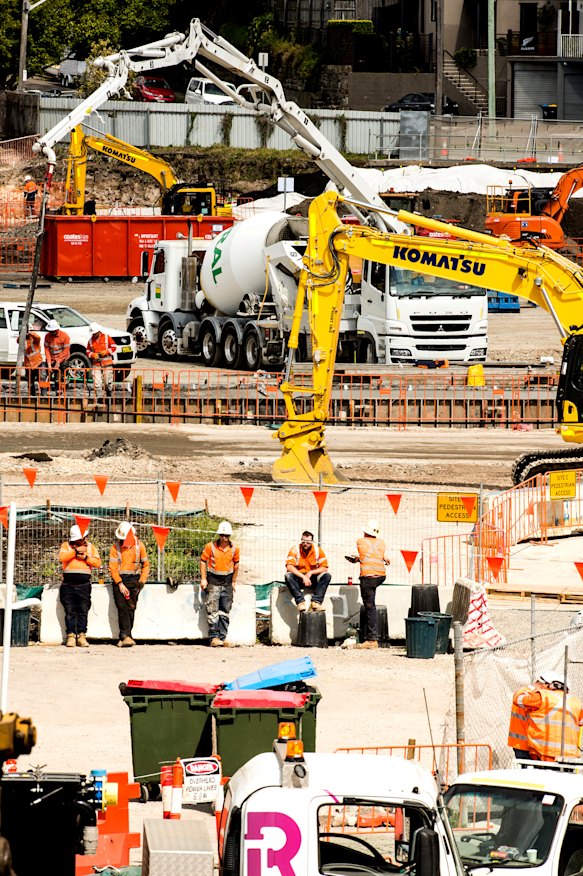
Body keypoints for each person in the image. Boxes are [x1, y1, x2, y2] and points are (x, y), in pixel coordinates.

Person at [516, 671, 583, 761]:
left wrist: (532, 689)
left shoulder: (543, 697)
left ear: (551, 685)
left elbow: (518, 699)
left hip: (543, 754)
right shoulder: (576, 702)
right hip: (568, 757)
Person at [347, 519, 390, 650]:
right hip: (381, 576)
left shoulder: (360, 541)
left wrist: (355, 559)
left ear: (365, 531)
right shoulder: (382, 543)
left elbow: (364, 554)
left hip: (368, 577)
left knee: (370, 607)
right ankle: (371, 637)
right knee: (371, 605)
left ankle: (372, 640)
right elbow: (373, 555)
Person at [108, 521, 150, 648]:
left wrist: (141, 582)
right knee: (122, 608)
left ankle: (126, 635)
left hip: (134, 581)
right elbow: (113, 568)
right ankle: (125, 636)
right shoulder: (115, 548)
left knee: (131, 608)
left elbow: (146, 565)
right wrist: (120, 583)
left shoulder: (139, 546)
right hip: (120, 580)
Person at [58, 524, 101, 647]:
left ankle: (82, 635)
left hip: (84, 585)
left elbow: (97, 562)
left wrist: (86, 557)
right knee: (69, 611)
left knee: (83, 610)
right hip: (68, 584)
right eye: (82, 538)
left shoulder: (91, 548)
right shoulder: (66, 546)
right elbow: (62, 557)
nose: (84, 540)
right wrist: (75, 551)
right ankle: (71, 636)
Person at [200, 521, 239, 647]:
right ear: (219, 535)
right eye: (222, 535)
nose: (224, 538)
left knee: (225, 610)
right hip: (213, 582)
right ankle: (214, 637)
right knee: (212, 610)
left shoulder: (234, 548)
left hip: (227, 583)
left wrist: (233, 581)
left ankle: (223, 637)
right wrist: (203, 579)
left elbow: (237, 564)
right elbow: (203, 561)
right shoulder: (210, 546)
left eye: (226, 535)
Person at [285, 530, 331, 612]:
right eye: (303, 541)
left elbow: (324, 567)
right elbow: (289, 566)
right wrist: (303, 577)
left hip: (312, 578)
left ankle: (316, 602)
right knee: (288, 576)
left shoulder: (317, 550)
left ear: (312, 542)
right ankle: (300, 602)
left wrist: (310, 573)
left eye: (308, 542)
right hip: (299, 577)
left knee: (326, 576)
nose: (305, 544)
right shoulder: (295, 549)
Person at [87, 322, 116, 404]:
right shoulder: (90, 341)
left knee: (107, 381)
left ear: (99, 331)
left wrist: (106, 352)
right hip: (96, 364)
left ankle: (109, 392)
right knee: (97, 382)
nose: (94, 335)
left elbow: (114, 347)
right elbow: (87, 351)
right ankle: (99, 398)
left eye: (95, 333)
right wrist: (93, 355)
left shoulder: (107, 337)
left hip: (106, 363)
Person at [44, 320, 70, 389]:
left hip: (63, 358)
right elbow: (47, 351)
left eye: (53, 331)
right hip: (52, 358)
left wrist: (58, 361)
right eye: (50, 331)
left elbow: (66, 351)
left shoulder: (65, 336)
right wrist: (49, 364)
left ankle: (61, 384)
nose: (51, 333)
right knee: (45, 370)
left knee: (62, 369)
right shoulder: (47, 336)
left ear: (57, 329)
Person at [23, 324, 43, 394]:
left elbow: (38, 337)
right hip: (28, 364)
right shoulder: (23, 339)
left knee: (42, 380)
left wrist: (30, 332)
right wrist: (23, 333)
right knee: (30, 382)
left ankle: (44, 396)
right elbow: (18, 340)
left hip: (37, 362)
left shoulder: (34, 339)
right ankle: (32, 396)